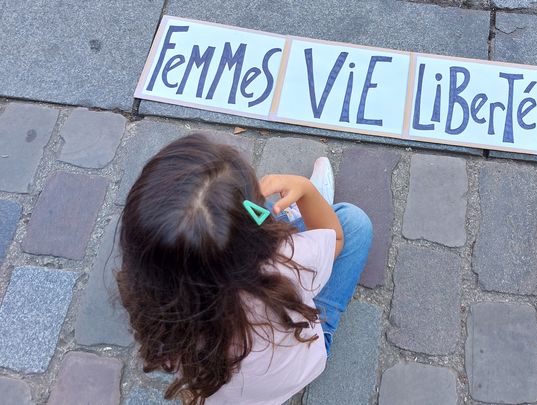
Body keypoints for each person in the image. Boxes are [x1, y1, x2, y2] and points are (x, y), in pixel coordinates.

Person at [116, 133, 373, 404]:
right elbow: (338, 238)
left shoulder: (161, 313)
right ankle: (290, 214)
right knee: (355, 223)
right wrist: (307, 190)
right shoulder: (287, 263)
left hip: (222, 392)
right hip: (305, 358)